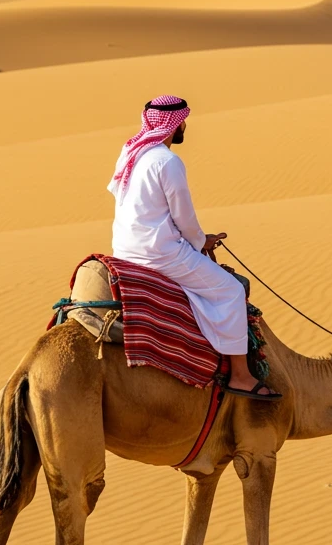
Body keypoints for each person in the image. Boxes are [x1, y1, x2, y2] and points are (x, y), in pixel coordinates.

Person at [108, 94, 281, 399]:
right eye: (183, 120)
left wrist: (198, 239)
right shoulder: (167, 161)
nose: (185, 125)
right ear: (177, 124)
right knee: (231, 291)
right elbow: (183, 215)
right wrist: (201, 242)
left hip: (125, 249)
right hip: (160, 253)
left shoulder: (132, 154)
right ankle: (240, 376)